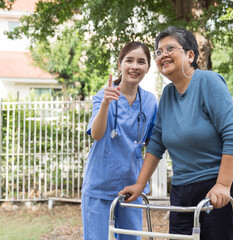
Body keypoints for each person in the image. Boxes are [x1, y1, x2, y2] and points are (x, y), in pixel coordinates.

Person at [119, 27, 233, 240]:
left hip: (219, 182)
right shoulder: (168, 94)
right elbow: (157, 143)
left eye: (170, 48)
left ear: (190, 55)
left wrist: (223, 185)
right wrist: (140, 184)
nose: (163, 55)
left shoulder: (208, 82)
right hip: (183, 188)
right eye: (159, 52)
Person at [81, 41, 158, 240]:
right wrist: (106, 104)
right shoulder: (103, 96)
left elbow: (153, 145)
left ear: (148, 68)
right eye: (129, 60)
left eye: (141, 62)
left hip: (131, 189)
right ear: (120, 64)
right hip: (100, 185)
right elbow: (96, 134)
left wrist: (142, 182)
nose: (135, 66)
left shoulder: (150, 102)